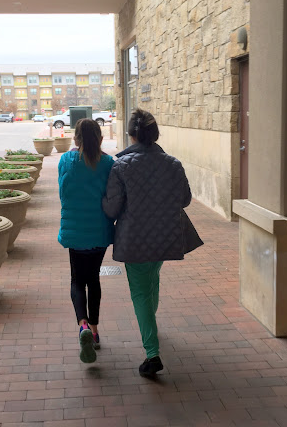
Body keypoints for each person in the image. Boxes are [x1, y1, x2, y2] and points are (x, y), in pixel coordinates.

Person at [102, 109, 192, 377]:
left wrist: (103, 201)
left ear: (131, 135)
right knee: (152, 278)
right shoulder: (173, 164)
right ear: (155, 135)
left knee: (141, 292)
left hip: (134, 239)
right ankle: (151, 325)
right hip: (165, 235)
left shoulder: (121, 166)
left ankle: (152, 353)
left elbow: (112, 208)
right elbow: (185, 199)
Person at [58, 118, 115, 363]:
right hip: (99, 232)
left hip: (75, 231)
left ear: (76, 139)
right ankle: (94, 330)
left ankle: (82, 326)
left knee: (77, 281)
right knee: (93, 279)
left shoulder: (66, 160)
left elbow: (63, 193)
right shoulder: (108, 163)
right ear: (100, 139)